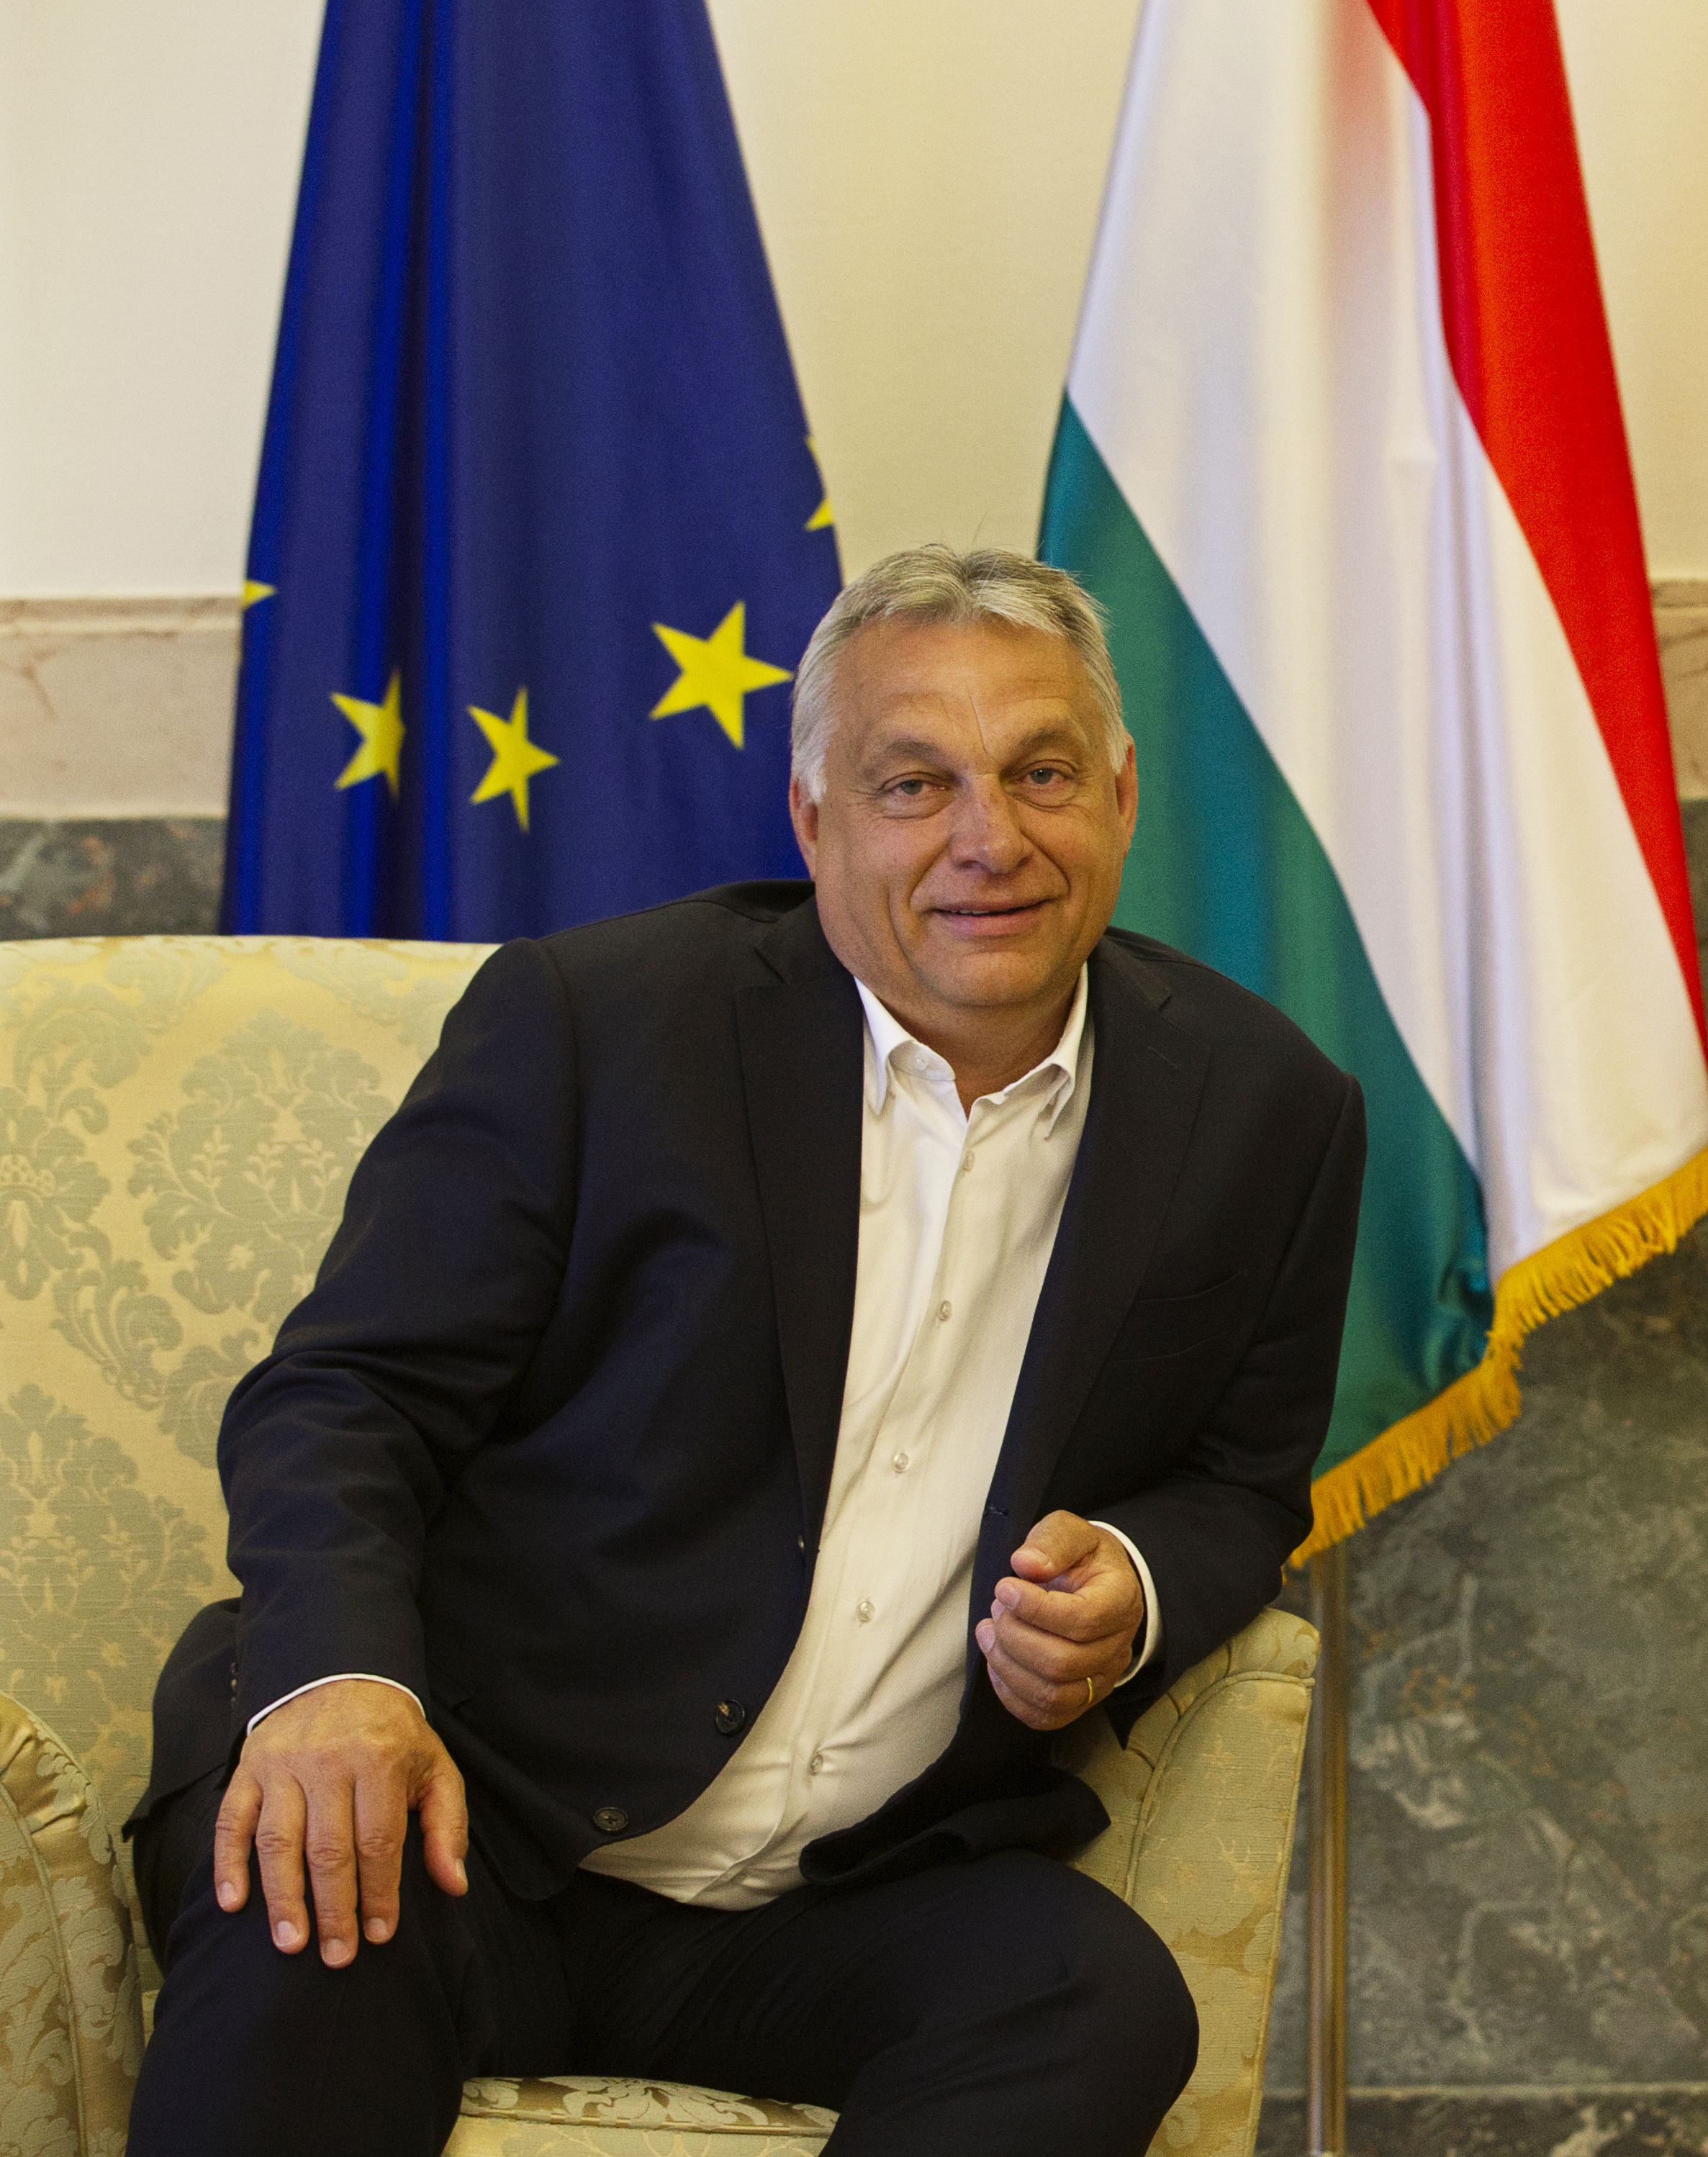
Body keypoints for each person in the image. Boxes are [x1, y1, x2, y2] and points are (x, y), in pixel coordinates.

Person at [126, 547, 1368, 2157]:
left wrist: (1134, 1577)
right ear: (814, 822)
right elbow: (348, 1391)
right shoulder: (598, 1022)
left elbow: (1241, 1475)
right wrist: (342, 1682)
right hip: (461, 1803)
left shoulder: (1268, 1112)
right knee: (306, 1885)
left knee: (1093, 1995)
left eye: (1040, 771)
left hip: (846, 1890)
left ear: (1121, 796)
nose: (987, 835)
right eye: (912, 781)